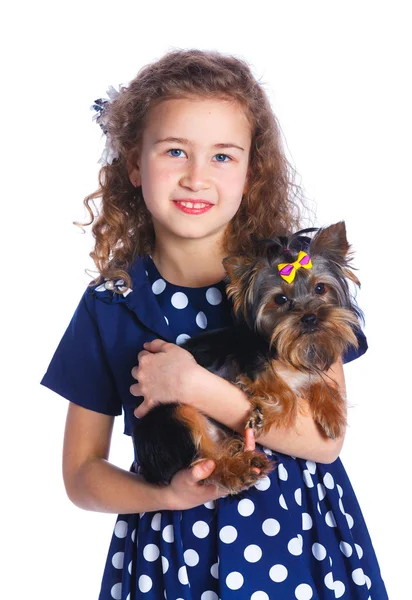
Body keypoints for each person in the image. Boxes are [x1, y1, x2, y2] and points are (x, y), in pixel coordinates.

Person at [40, 49, 388, 599]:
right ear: (134, 163)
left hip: (299, 542)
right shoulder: (111, 304)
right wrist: (167, 497)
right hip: (173, 549)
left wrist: (197, 388)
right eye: (175, 151)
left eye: (223, 156)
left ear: (252, 172)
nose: (197, 177)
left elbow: (325, 442)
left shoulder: (292, 279)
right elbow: (81, 476)